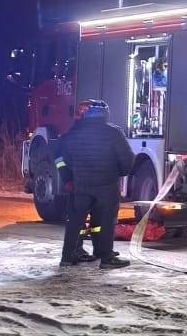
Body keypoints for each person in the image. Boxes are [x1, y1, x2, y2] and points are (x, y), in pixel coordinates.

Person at [54, 99, 134, 268]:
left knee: (75, 221)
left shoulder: (74, 134)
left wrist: (74, 176)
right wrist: (119, 173)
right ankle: (106, 257)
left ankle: (67, 257)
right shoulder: (114, 133)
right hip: (107, 186)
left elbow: (64, 158)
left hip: (80, 186)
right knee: (105, 221)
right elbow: (127, 159)